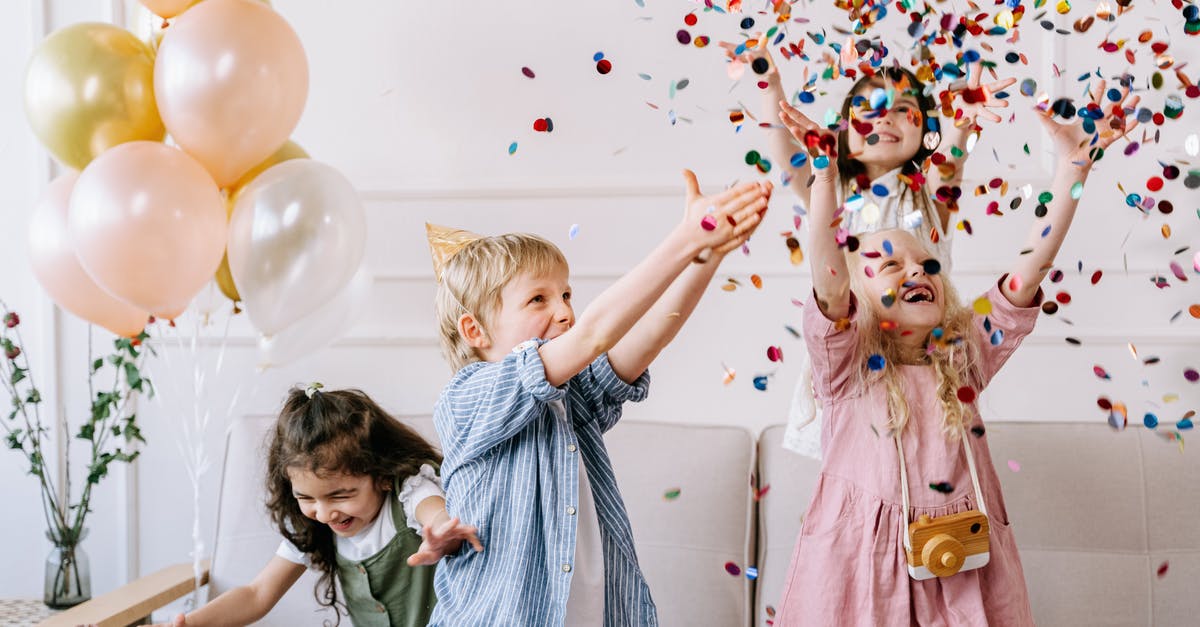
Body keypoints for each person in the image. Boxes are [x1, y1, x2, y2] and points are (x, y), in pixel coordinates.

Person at [774, 80, 1138, 625]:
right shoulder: (846, 370)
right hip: (859, 581)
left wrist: (1072, 174)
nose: (917, 270)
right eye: (892, 266)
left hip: (966, 575)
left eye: (926, 265)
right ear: (860, 302)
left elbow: (1028, 271)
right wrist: (826, 178)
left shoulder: (961, 356)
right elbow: (828, 281)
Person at [426, 171, 771, 626]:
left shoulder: (566, 400)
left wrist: (705, 255)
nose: (565, 310)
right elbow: (592, 334)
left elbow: (648, 337)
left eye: (566, 294)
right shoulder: (467, 399)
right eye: (538, 300)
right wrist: (686, 239)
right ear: (475, 330)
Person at [721, 35, 1014, 459]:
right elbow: (783, 149)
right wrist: (770, 77)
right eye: (869, 110)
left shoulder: (928, 193)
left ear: (926, 131)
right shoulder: (832, 191)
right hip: (851, 364)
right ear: (843, 135)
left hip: (920, 366)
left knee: (922, 472)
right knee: (852, 483)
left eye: (902, 110)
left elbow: (951, 161)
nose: (884, 119)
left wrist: (963, 124)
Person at [155, 386, 481, 627]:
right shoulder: (313, 529)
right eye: (306, 498)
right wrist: (192, 623)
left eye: (340, 496)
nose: (324, 514)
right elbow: (257, 594)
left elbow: (434, 511)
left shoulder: (408, 491)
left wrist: (440, 530)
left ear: (382, 473)